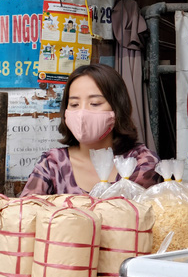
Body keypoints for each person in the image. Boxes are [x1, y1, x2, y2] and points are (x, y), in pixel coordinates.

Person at [21, 63, 160, 196]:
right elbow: (26, 212)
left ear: (117, 108)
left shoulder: (141, 162)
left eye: (95, 103)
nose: (82, 113)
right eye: (74, 104)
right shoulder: (52, 164)